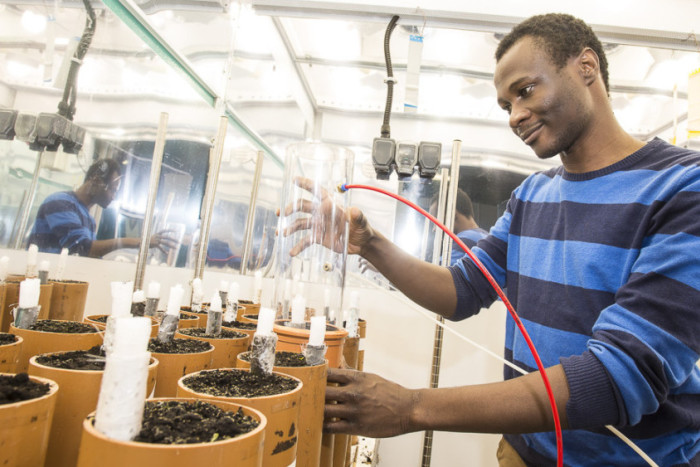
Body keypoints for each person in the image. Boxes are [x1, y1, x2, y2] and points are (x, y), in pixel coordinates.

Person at [283, 13, 700, 466]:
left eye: (525, 90)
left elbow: (619, 376)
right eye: (505, 106)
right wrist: (369, 244)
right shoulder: (532, 195)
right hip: (523, 451)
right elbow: (461, 292)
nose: (516, 115)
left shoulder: (682, 189)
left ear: (586, 67)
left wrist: (412, 408)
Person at [28, 158, 176, 258]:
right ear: (96, 181)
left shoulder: (88, 218)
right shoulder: (60, 203)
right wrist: (139, 241)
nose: (113, 197)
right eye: (112, 189)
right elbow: (82, 250)